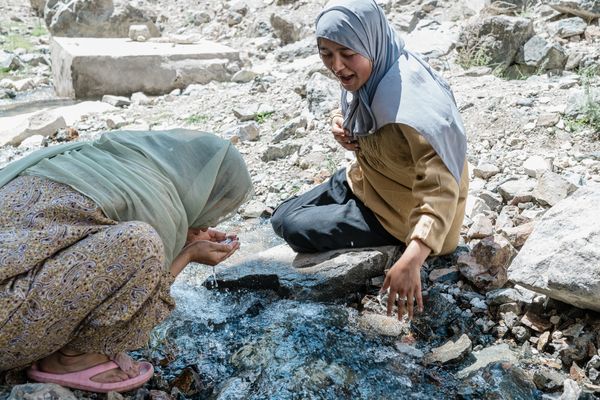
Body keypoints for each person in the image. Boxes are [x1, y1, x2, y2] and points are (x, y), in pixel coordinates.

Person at [0, 129, 252, 393]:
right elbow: (142, 309)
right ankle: (71, 358)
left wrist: (183, 232)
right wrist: (186, 255)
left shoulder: (90, 159)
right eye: (217, 205)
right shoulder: (154, 204)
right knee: (142, 241)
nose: (211, 220)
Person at [271, 0, 469, 321]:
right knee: (280, 218)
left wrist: (413, 257)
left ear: (369, 42)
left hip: (401, 215)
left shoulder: (416, 108)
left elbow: (443, 189)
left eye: (347, 54)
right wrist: (341, 123)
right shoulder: (371, 70)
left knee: (294, 228)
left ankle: (390, 240)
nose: (337, 66)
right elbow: (353, 107)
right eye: (327, 54)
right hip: (367, 179)